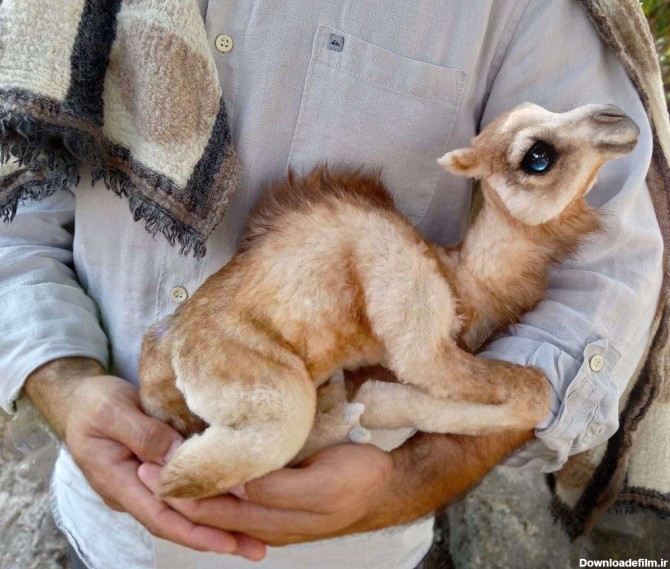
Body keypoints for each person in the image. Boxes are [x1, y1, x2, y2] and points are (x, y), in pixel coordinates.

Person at [0, 1, 663, 568]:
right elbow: (19, 191)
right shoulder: (413, 289)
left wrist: (406, 482)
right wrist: (65, 385)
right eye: (540, 157)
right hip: (108, 528)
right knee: (284, 416)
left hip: (359, 551)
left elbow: (604, 274)